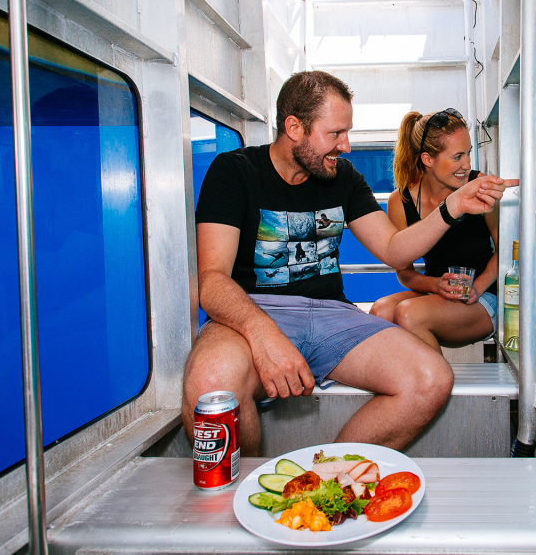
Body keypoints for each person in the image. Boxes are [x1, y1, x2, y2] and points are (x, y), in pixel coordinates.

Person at [181, 71, 518, 455]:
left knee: (430, 379)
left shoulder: (343, 177)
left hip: (332, 315)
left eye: (347, 133)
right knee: (209, 383)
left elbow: (394, 250)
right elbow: (212, 280)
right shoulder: (234, 171)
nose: (346, 146)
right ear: (294, 128)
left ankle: (327, 478)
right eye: (336, 133)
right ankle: (250, 490)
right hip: (253, 312)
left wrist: (451, 207)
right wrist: (263, 334)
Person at [370, 109, 501, 353]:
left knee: (409, 313)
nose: (467, 164)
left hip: (483, 297)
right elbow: (405, 273)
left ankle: (436, 377)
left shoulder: (479, 184)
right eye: (458, 156)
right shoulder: (401, 201)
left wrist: (477, 287)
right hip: (437, 295)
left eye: (468, 153)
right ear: (428, 159)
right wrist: (436, 285)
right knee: (380, 312)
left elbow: (505, 250)